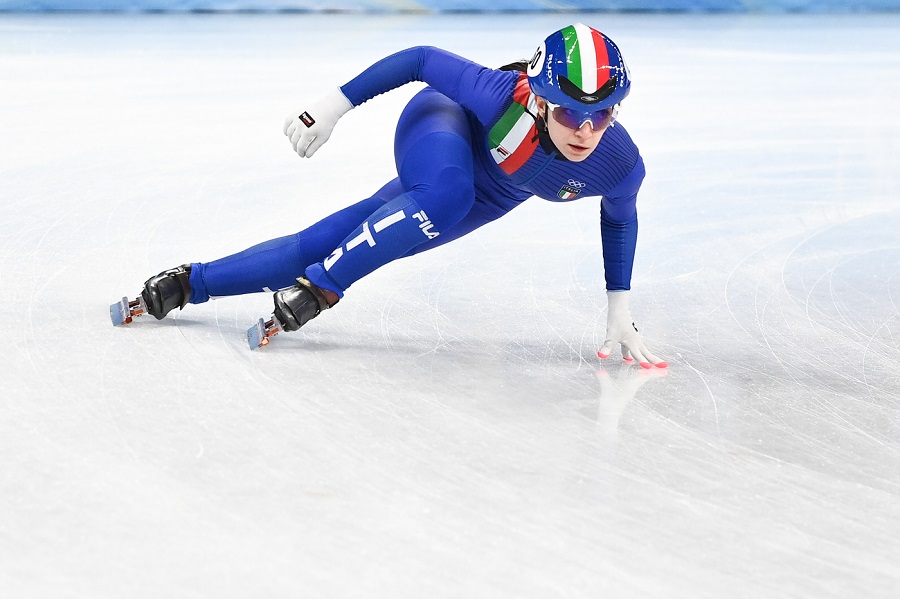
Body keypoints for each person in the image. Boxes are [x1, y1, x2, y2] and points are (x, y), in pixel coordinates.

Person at [136, 23, 667, 368]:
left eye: (603, 114)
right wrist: (332, 105)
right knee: (446, 195)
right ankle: (322, 289)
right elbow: (420, 58)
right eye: (572, 112)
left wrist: (618, 307)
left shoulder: (619, 164)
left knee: (337, 239)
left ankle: (191, 282)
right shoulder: (498, 95)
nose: (586, 130)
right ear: (540, 101)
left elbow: (619, 221)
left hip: (489, 195)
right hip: (441, 125)